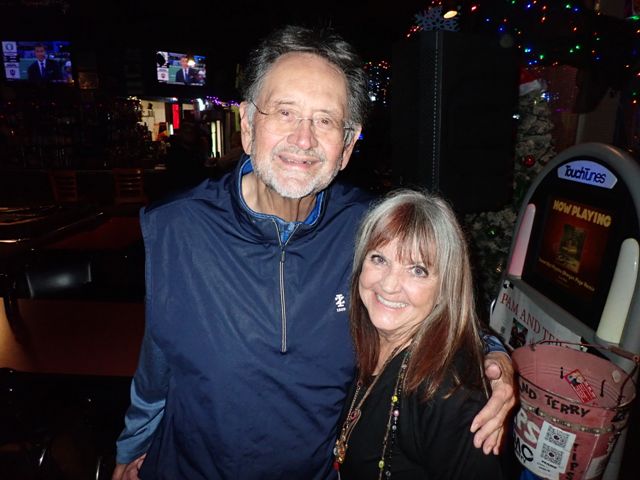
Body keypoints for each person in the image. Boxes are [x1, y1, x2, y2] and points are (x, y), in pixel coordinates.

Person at [112, 25, 515, 480]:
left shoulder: (369, 230)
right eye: (285, 112)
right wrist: (133, 445)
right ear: (249, 124)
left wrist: (493, 356)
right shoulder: (176, 225)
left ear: (347, 145)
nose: (303, 139)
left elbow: (434, 302)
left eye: (325, 120)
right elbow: (158, 358)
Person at [334, 189, 506, 479]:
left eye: (417, 270)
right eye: (379, 259)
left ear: (445, 288)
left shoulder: (449, 394)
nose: (389, 285)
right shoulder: (361, 336)